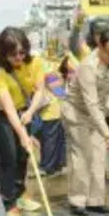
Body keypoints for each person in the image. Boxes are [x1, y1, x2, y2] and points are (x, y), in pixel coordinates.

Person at [0, 27, 45, 216]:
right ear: (3, 53)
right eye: (13, 54)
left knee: (23, 154)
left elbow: (39, 90)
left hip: (23, 109)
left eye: (22, 52)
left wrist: (30, 112)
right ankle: (10, 206)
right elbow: (7, 106)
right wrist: (21, 133)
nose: (19, 57)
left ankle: (20, 193)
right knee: (9, 154)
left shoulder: (35, 62)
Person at [63, 28, 109, 216]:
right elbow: (91, 104)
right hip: (77, 113)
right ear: (100, 47)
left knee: (99, 156)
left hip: (100, 113)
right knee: (83, 155)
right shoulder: (87, 67)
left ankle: (96, 200)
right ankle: (78, 200)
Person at [36, 50, 67, 178]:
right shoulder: (55, 64)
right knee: (55, 139)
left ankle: (49, 166)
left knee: (51, 140)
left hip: (52, 110)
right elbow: (57, 87)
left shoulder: (46, 65)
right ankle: (54, 165)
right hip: (56, 109)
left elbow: (56, 87)